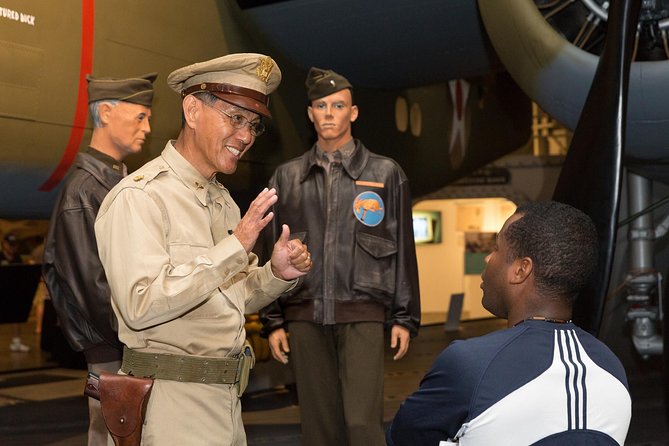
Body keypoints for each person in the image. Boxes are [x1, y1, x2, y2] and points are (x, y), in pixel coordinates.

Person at [93, 53, 311, 445]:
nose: (246, 136)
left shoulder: (222, 202)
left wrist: (277, 274)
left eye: (253, 124)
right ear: (192, 110)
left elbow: (232, 296)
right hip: (169, 408)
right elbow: (140, 305)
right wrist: (234, 247)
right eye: (235, 117)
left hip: (225, 403)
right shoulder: (140, 197)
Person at [258, 67, 420, 446]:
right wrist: (273, 320)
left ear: (353, 112)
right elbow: (271, 253)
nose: (329, 113)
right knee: (318, 429)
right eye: (321, 106)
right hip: (304, 312)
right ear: (310, 113)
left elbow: (403, 250)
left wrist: (404, 316)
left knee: (362, 425)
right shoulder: (286, 178)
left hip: (362, 310)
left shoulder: (386, 174)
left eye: (338, 105)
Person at [386, 201, 632, 446]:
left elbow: (402, 439)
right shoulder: (612, 368)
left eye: (496, 249)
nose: (487, 258)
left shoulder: (470, 365)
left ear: (521, 270)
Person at [42, 72, 156, 446]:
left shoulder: (116, 182)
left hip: (128, 344)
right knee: (114, 437)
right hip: (115, 350)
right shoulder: (84, 191)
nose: (147, 128)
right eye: (140, 117)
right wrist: (146, 330)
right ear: (106, 113)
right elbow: (91, 288)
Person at [1, 233, 31, 352]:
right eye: (10, 245)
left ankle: (17, 342)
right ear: (4, 244)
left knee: (16, 316)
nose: (13, 247)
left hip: (12, 292)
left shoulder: (17, 258)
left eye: (14, 245)